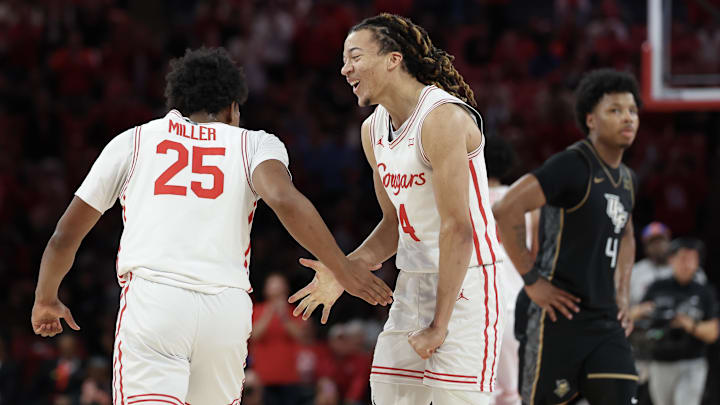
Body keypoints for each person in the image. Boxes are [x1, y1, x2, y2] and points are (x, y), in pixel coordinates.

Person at [30, 47, 392, 405]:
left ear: (178, 104)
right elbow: (284, 200)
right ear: (233, 108)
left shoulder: (134, 140)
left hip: (156, 302)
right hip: (226, 309)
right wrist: (342, 268)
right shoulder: (254, 143)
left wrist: (46, 297)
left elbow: (65, 235)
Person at [289, 13, 502, 405]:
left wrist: (440, 325)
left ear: (393, 59)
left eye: (354, 56)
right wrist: (343, 270)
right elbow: (393, 224)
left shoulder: (441, 118)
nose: (344, 68)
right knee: (388, 395)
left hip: (467, 283)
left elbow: (459, 227)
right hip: (412, 281)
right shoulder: (372, 130)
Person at [493, 68, 641, 404]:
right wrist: (532, 281)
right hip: (556, 319)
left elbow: (627, 232)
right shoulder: (572, 165)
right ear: (591, 119)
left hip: (605, 321)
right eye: (615, 110)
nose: (627, 118)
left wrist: (623, 291)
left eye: (632, 110)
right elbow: (506, 210)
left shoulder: (629, 179)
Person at [635, 238, 719, 405]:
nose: (686, 264)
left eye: (691, 259)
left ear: (697, 263)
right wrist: (643, 312)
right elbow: (632, 315)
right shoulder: (657, 287)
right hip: (660, 362)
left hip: (691, 362)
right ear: (671, 260)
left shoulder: (705, 292)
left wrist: (688, 324)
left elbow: (713, 333)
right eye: (682, 258)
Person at [485, 136, 534, 405]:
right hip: (516, 300)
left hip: (478, 300)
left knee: (480, 388)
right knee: (512, 391)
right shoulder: (525, 202)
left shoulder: (464, 197)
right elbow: (536, 255)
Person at [249, 273, 305, 405]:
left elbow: (301, 337)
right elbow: (254, 336)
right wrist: (269, 313)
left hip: (290, 377)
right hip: (263, 377)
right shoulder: (257, 310)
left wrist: (284, 317)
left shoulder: (295, 311)